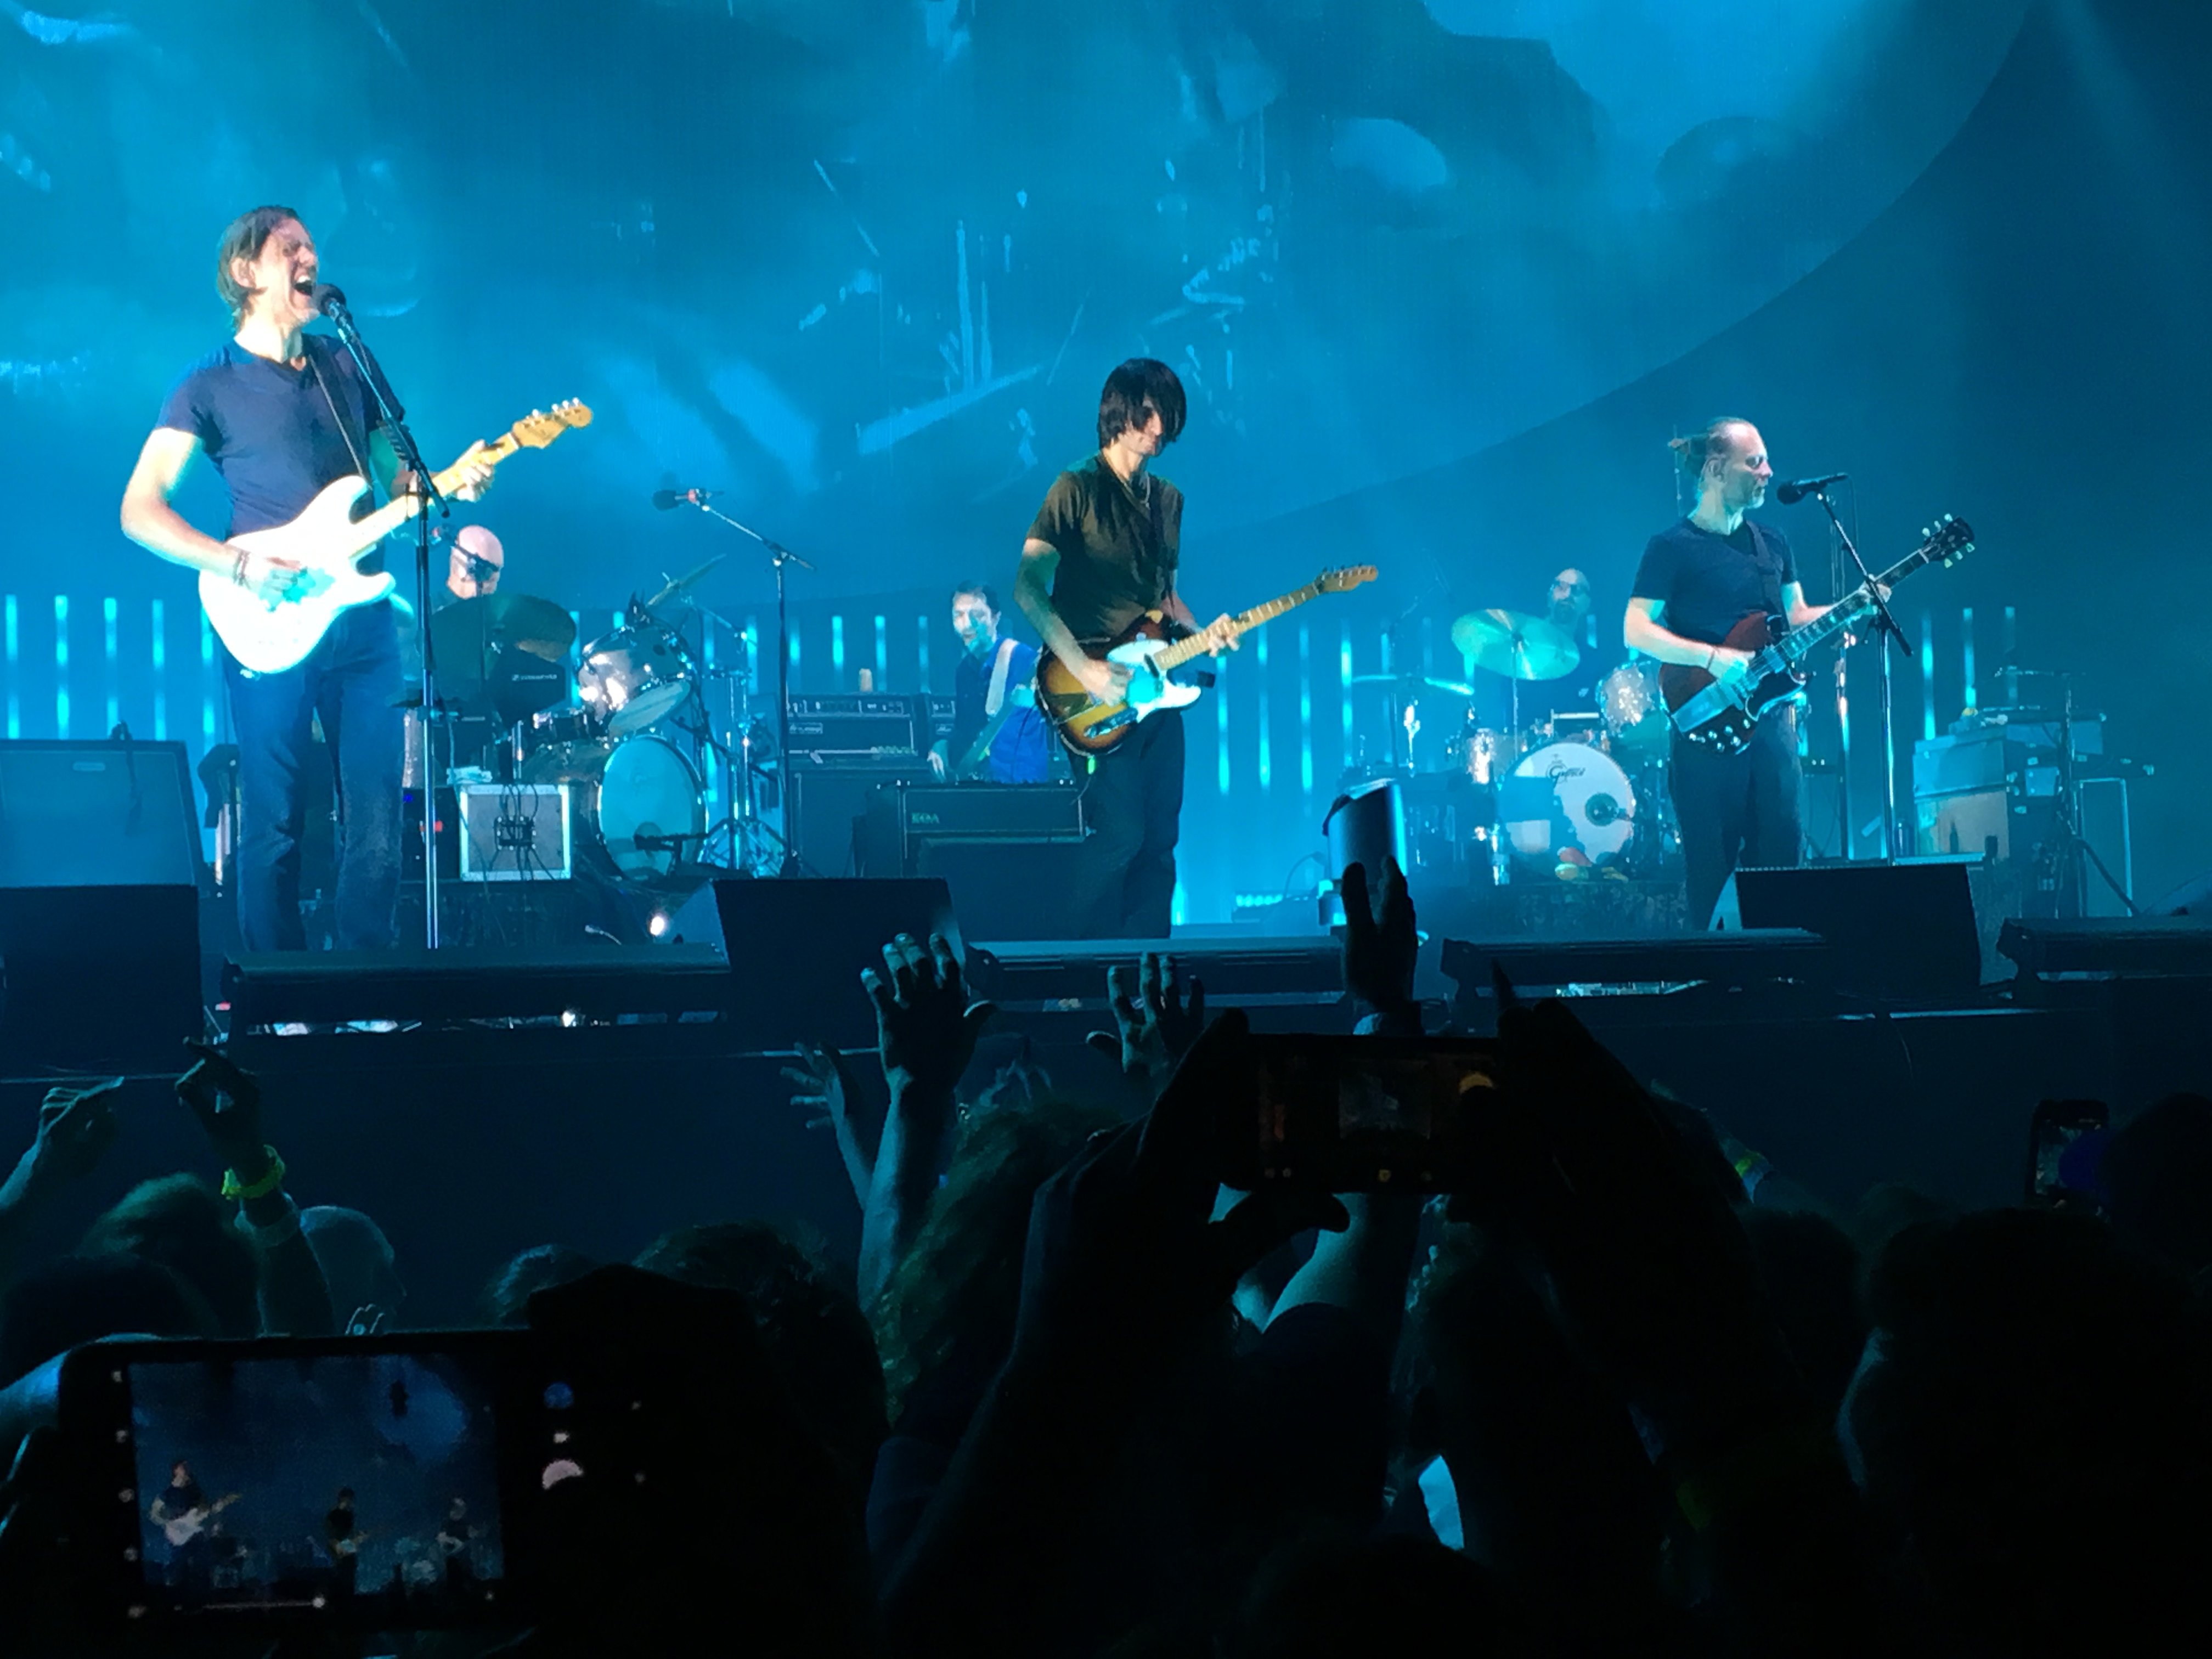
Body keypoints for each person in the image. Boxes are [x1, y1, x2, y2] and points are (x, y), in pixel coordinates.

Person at [120, 205, 491, 952]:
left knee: (379, 819)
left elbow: (398, 486)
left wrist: (449, 481)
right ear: (245, 271)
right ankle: (277, 995)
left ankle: (366, 990)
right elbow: (140, 510)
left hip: (364, 624)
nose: (309, 258)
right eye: (289, 248)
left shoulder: (347, 363)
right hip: (269, 619)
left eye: (312, 247)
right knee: (275, 820)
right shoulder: (207, 384)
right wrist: (240, 564)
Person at [1015, 359, 1238, 938]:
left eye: (1169, 415)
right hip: (1093, 691)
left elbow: (1165, 599)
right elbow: (1028, 587)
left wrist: (1204, 633)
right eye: (1149, 413)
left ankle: (1148, 968)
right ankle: (1072, 966)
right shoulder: (1075, 487)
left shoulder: (1169, 501)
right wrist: (1084, 669)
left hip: (1155, 687)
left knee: (1160, 839)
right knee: (1119, 834)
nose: (1161, 427)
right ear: (1120, 412)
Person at [1623, 417, 1855, 929]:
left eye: (1766, 461)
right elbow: (1635, 628)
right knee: (1710, 871)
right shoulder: (1672, 547)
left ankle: (1781, 969)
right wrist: (1711, 658)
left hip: (1773, 727)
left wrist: (1851, 608)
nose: (1768, 472)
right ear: (1714, 470)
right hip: (1705, 726)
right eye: (1755, 462)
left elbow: (1794, 615)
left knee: (1781, 864)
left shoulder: (1772, 543)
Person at [928, 582, 1049, 784]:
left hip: (1023, 786)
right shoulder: (964, 671)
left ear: (996, 618)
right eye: (958, 615)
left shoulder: (1023, 660)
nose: (967, 624)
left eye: (977, 615)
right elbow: (965, 731)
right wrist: (942, 746)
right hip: (978, 785)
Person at [325, 1487, 365, 1596]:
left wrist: (356, 1540)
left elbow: (351, 1533)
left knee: (349, 1578)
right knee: (341, 1578)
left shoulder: (349, 1515)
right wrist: (340, 1547)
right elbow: (331, 1536)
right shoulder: (334, 1515)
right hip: (340, 1553)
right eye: (350, 1499)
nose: (351, 1502)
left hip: (347, 1552)